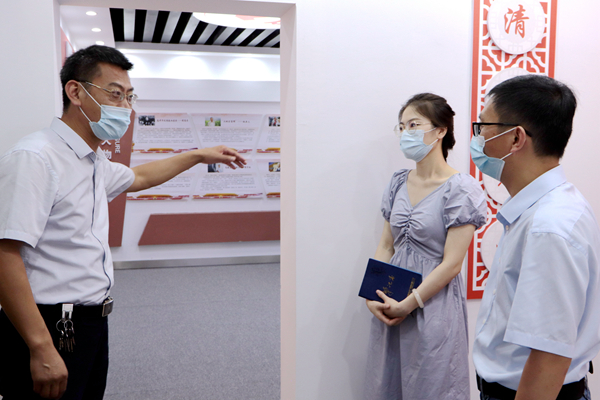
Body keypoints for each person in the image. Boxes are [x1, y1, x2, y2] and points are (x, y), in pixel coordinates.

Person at [0, 45, 246, 400]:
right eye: (115, 94)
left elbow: (139, 177)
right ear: (76, 92)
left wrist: (197, 156)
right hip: (48, 325)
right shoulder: (36, 158)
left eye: (130, 97)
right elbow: (5, 253)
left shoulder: (91, 160)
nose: (126, 107)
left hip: (89, 323)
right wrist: (40, 346)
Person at [472, 75, 600, 400]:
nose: (478, 137)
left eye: (483, 126)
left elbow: (548, 359)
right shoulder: (540, 210)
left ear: (515, 138)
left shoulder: (550, 225)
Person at [364, 93, 487, 399]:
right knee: (387, 383)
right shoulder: (398, 182)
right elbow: (386, 244)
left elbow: (452, 264)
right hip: (390, 298)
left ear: (440, 130)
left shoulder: (461, 189)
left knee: (432, 384)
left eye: (414, 124)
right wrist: (371, 294)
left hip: (433, 305)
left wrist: (410, 303)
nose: (406, 133)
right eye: (402, 126)